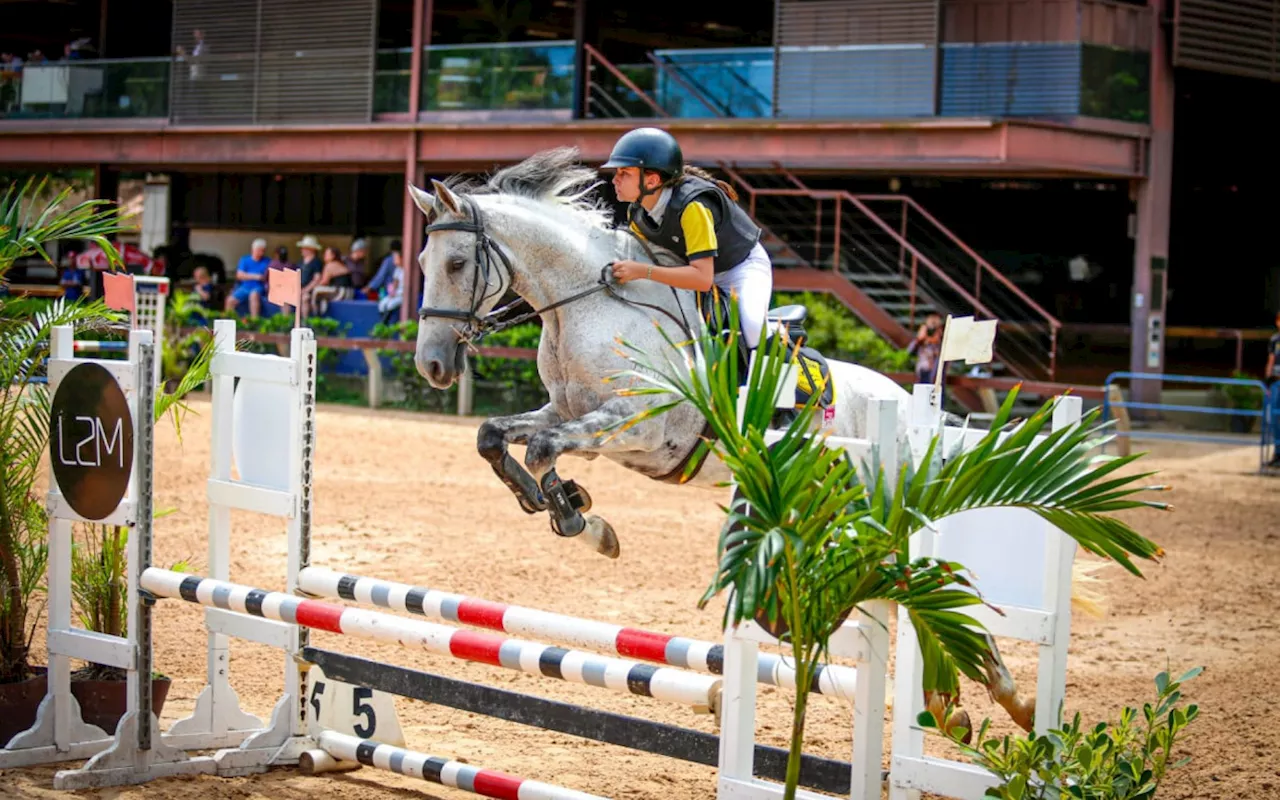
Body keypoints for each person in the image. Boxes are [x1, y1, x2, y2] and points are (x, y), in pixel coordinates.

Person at [601, 127, 773, 351]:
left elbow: (702, 278)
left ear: (651, 181)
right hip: (693, 274)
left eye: (625, 173)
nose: (615, 180)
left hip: (740, 269)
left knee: (752, 326)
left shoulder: (693, 207)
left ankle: (797, 371)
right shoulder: (638, 214)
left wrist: (642, 272)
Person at [224, 238, 272, 318]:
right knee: (229, 300)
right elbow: (239, 275)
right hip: (245, 287)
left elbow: (266, 277)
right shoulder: (245, 260)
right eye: (260, 250)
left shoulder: (267, 261)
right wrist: (256, 276)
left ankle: (254, 321)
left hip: (258, 287)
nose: (262, 253)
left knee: (254, 295)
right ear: (254, 249)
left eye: (263, 251)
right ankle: (228, 321)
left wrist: (248, 276)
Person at [907, 312, 944, 385]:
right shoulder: (920, 342)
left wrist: (935, 339)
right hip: (922, 370)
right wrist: (920, 340)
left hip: (935, 373)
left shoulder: (941, 342)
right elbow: (909, 351)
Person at [1264, 311, 1280, 467]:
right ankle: (1277, 453)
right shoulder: (1274, 340)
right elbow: (1270, 361)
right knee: (1275, 419)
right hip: (1276, 382)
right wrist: (1267, 383)